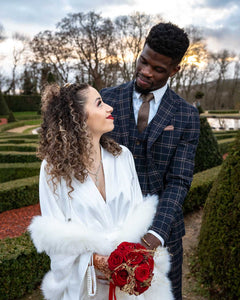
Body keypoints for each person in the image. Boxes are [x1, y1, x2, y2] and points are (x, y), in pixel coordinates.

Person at [29, 83, 174, 300]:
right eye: (99, 103)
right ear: (77, 116)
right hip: (86, 286)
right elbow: (55, 237)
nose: (110, 108)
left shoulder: (122, 156)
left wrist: (130, 261)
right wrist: (95, 260)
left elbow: (138, 217)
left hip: (127, 283)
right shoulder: (52, 169)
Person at [100, 22, 200, 300]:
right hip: (110, 230)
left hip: (163, 233)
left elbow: (179, 181)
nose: (145, 72)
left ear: (174, 70)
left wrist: (154, 235)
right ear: (141, 51)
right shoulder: (105, 100)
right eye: (144, 61)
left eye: (158, 69)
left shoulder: (186, 115)